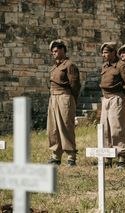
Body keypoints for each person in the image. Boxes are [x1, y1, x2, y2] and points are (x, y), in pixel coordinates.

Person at [99, 42, 125, 169]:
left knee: (117, 128)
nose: (104, 55)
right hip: (105, 98)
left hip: (116, 98)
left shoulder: (121, 66)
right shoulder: (105, 66)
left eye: (107, 52)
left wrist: (121, 95)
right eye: (103, 52)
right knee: (105, 129)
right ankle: (107, 159)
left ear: (113, 52)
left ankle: (122, 158)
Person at [47, 39, 81, 167]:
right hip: (53, 97)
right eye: (53, 51)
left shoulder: (69, 65)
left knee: (66, 126)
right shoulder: (55, 67)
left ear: (62, 50)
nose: (54, 53)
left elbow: (75, 84)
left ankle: (71, 156)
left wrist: (71, 100)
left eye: (56, 50)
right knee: (53, 128)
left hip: (65, 96)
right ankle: (56, 155)